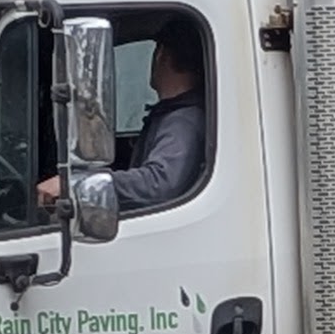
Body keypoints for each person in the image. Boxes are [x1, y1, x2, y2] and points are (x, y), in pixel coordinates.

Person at [39, 34, 210, 215]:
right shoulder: (171, 115)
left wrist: (78, 185)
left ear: (162, 55)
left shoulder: (183, 121)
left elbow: (160, 184)